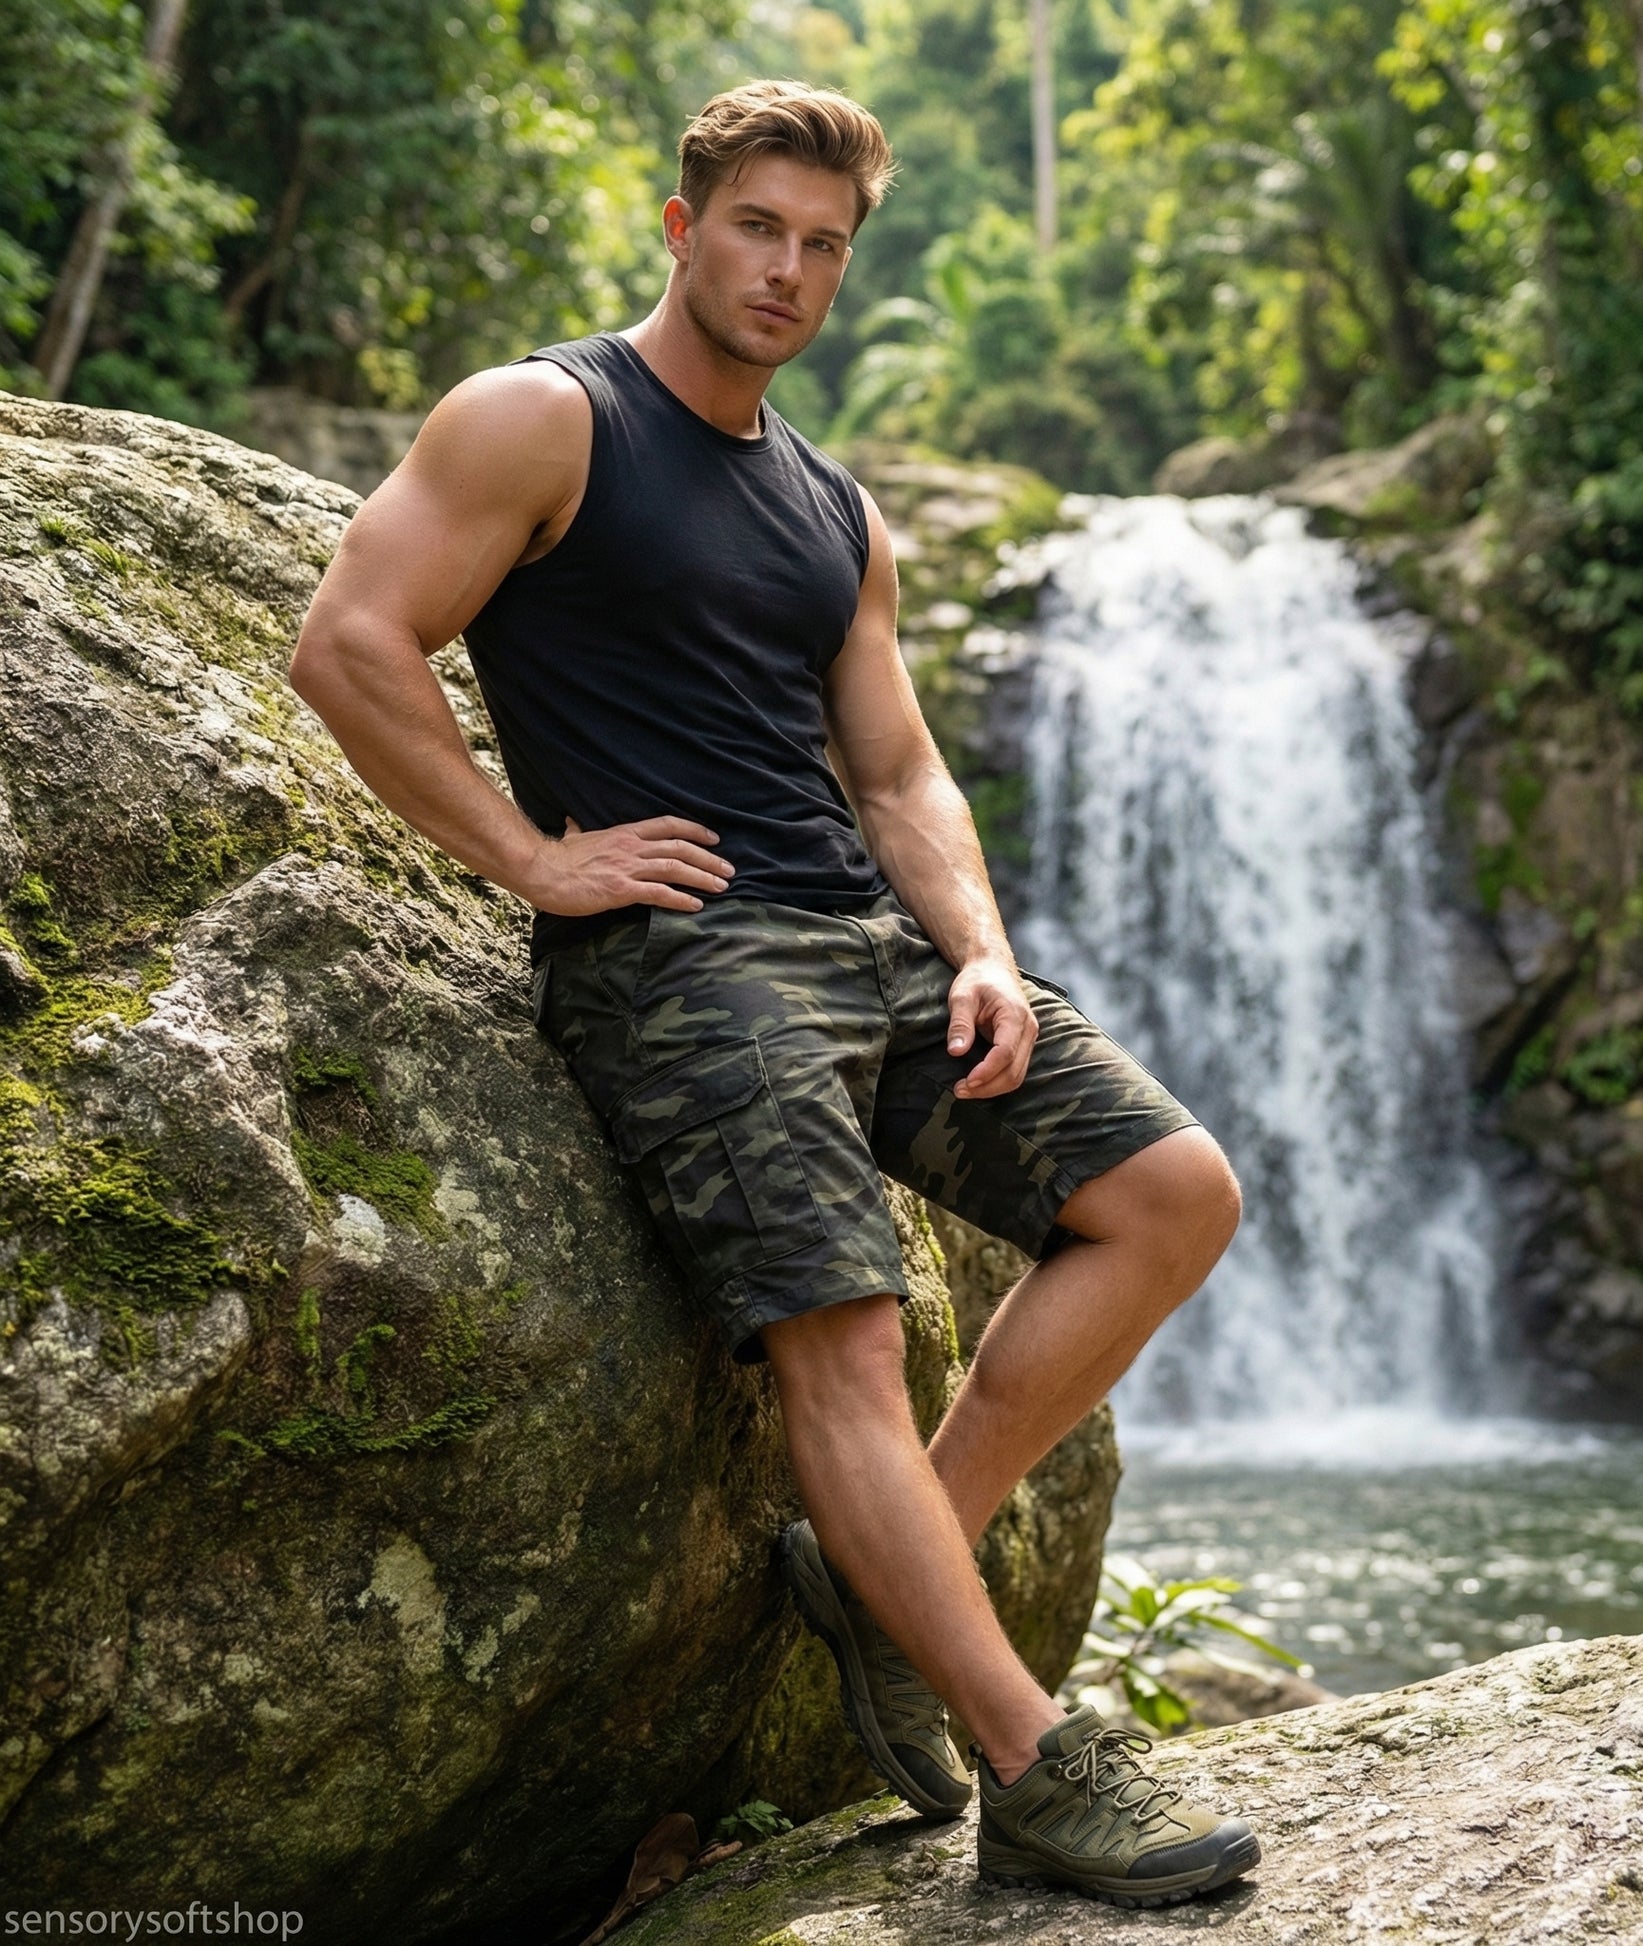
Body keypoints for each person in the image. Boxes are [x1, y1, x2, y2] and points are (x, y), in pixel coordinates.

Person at [289, 78, 1258, 1910]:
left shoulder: (835, 507)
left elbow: (896, 775)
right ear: (683, 225)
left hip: (871, 948)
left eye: (822, 244)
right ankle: (1036, 1763)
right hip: (679, 965)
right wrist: (536, 858)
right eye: (758, 227)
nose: (787, 269)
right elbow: (350, 638)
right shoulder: (543, 418)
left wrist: (974, 943)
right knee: (849, 1329)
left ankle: (893, 1563)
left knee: (1173, 1193)